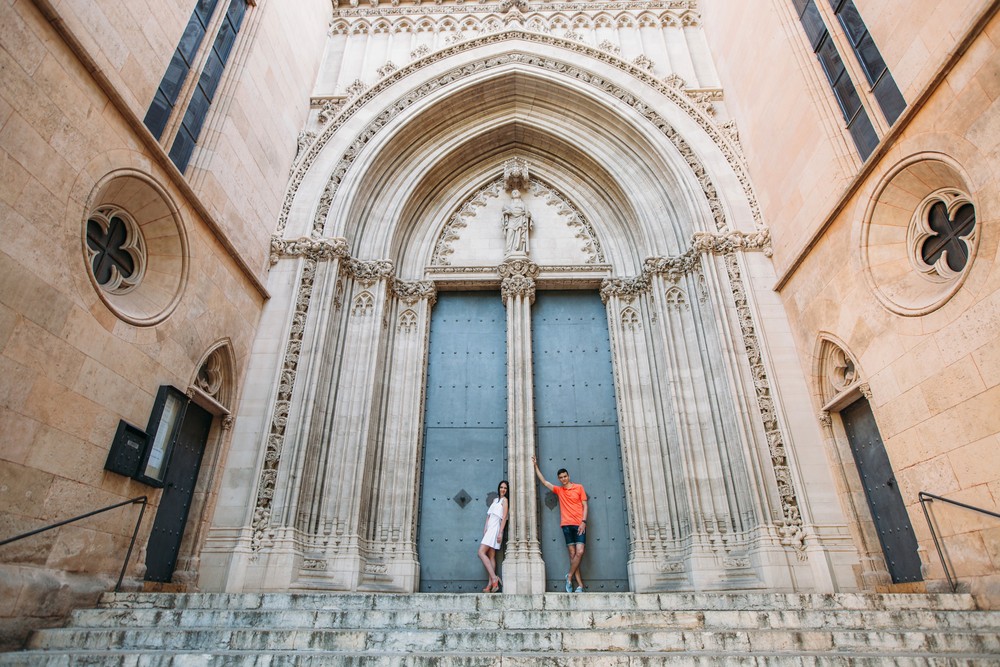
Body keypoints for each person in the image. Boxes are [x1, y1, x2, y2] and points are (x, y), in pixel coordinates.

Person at [532, 456, 587, 592]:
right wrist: (535, 466)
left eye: (565, 476)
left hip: (579, 524)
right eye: (561, 477)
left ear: (568, 476)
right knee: (573, 555)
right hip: (566, 525)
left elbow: (585, 506)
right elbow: (544, 482)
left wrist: (583, 522)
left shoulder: (579, 488)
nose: (563, 479)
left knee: (580, 552)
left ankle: (569, 576)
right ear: (559, 479)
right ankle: (579, 585)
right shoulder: (559, 490)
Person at [478, 480, 509, 593]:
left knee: (481, 552)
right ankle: (490, 584)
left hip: (496, 528)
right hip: (489, 528)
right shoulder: (495, 500)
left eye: (505, 488)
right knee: (491, 555)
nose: (503, 489)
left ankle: (494, 578)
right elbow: (489, 516)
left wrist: (500, 532)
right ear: (499, 488)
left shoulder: (505, 501)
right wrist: (485, 528)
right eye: (501, 487)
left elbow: (504, 518)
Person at [501, 189, 532, 255]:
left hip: (520, 219)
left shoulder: (523, 204)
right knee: (510, 233)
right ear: (511, 195)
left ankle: (518, 249)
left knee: (519, 234)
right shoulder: (509, 205)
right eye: (513, 192)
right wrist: (506, 212)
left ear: (520, 194)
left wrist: (528, 216)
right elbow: (504, 212)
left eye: (516, 192)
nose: (515, 192)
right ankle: (508, 250)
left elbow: (528, 214)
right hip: (511, 220)